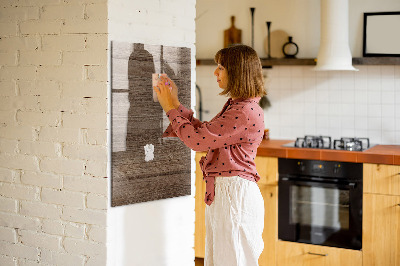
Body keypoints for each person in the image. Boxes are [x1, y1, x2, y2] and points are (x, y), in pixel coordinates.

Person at [153, 44, 266, 266]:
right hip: (228, 193)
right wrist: (175, 103)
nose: (215, 72)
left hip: (234, 195)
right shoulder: (239, 106)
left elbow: (197, 140)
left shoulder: (243, 111)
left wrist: (169, 108)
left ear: (237, 71)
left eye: (221, 67)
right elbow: (205, 133)